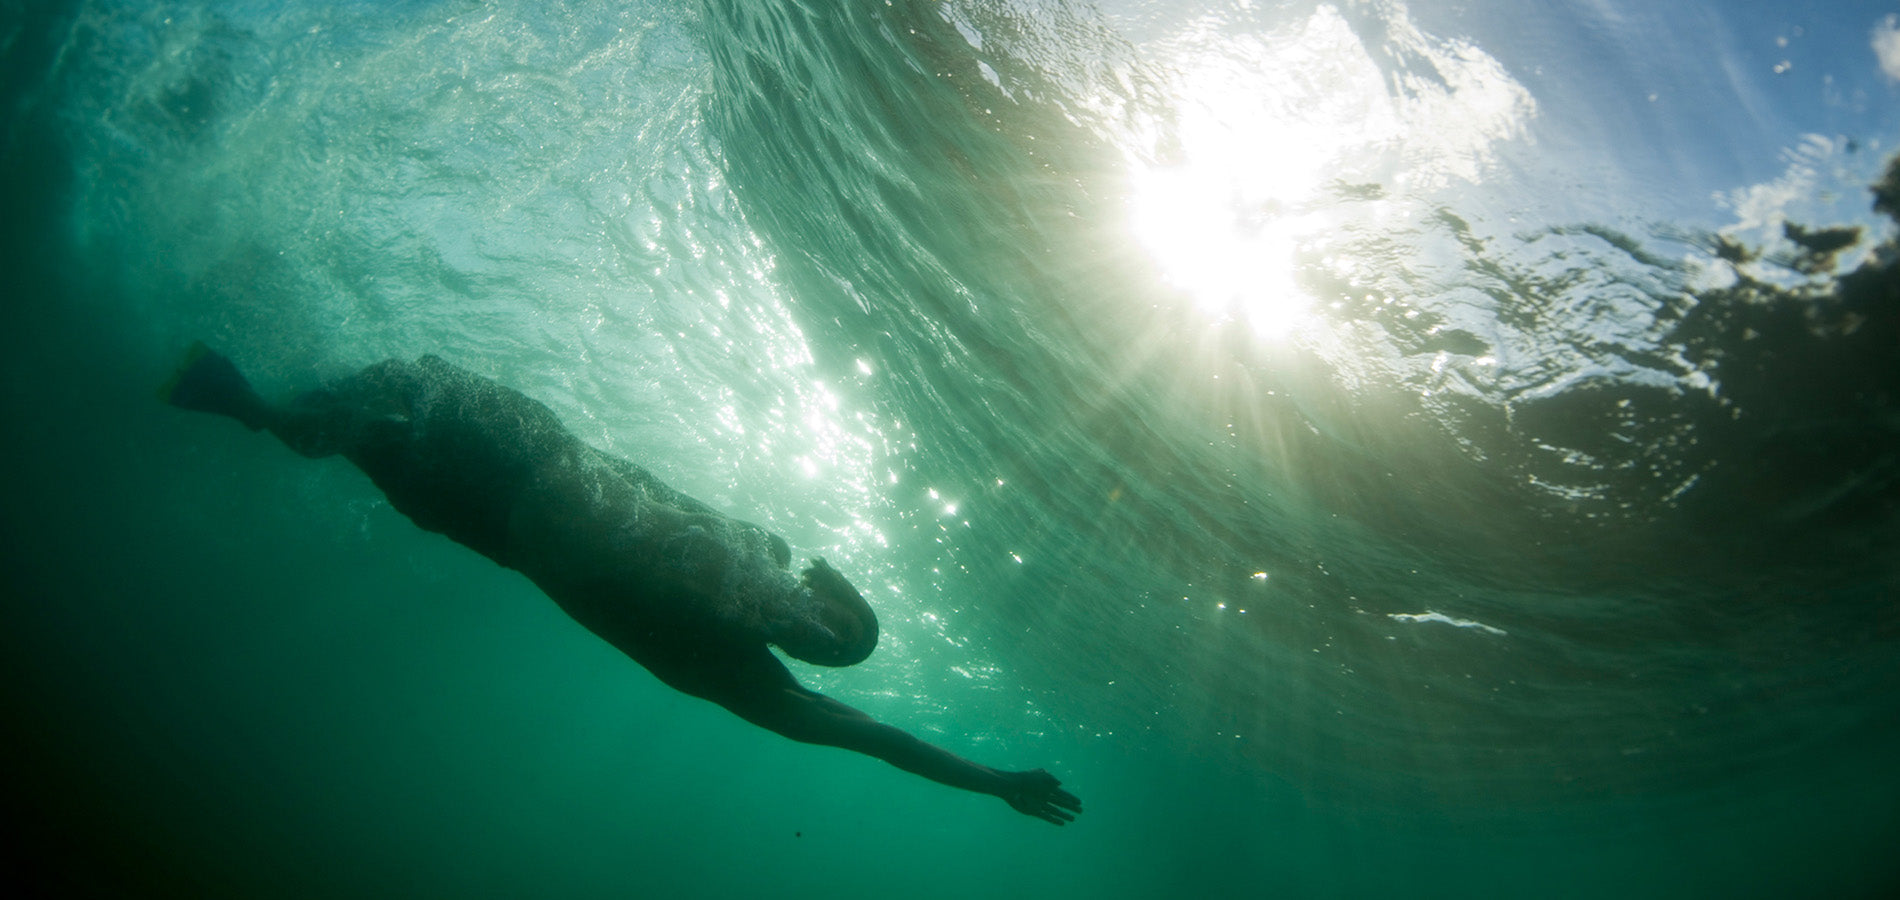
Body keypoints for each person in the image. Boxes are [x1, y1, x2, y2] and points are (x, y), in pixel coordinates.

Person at [160, 343, 1081, 825]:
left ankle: (251, 405)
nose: (808, 624)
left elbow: (881, 742)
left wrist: (994, 779)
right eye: (825, 611)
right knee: (415, 374)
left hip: (500, 526)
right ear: (819, 588)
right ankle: (296, 376)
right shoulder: (753, 546)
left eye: (823, 643)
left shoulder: (739, 671)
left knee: (358, 432)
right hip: (539, 448)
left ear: (809, 658)